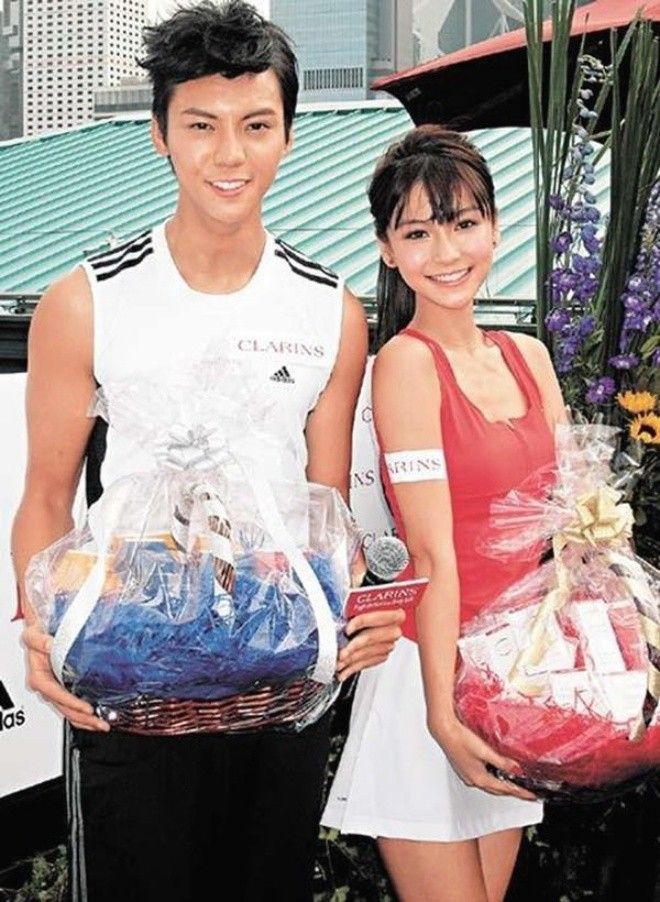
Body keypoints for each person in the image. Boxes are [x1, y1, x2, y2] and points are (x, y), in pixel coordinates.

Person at [10, 3, 404, 900]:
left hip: (278, 680)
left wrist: (362, 609)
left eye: (256, 125)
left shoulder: (331, 311)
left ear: (288, 136)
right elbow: (45, 497)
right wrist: (43, 629)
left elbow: (326, 513)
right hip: (127, 669)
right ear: (159, 135)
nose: (230, 154)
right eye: (201, 125)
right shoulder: (86, 301)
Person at [321, 125, 568, 902]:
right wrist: (441, 717)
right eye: (418, 233)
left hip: (510, 678)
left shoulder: (529, 356)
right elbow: (430, 553)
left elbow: (566, 523)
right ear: (388, 250)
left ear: (494, 227)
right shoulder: (404, 364)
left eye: (462, 223)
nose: (446, 251)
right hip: (429, 681)